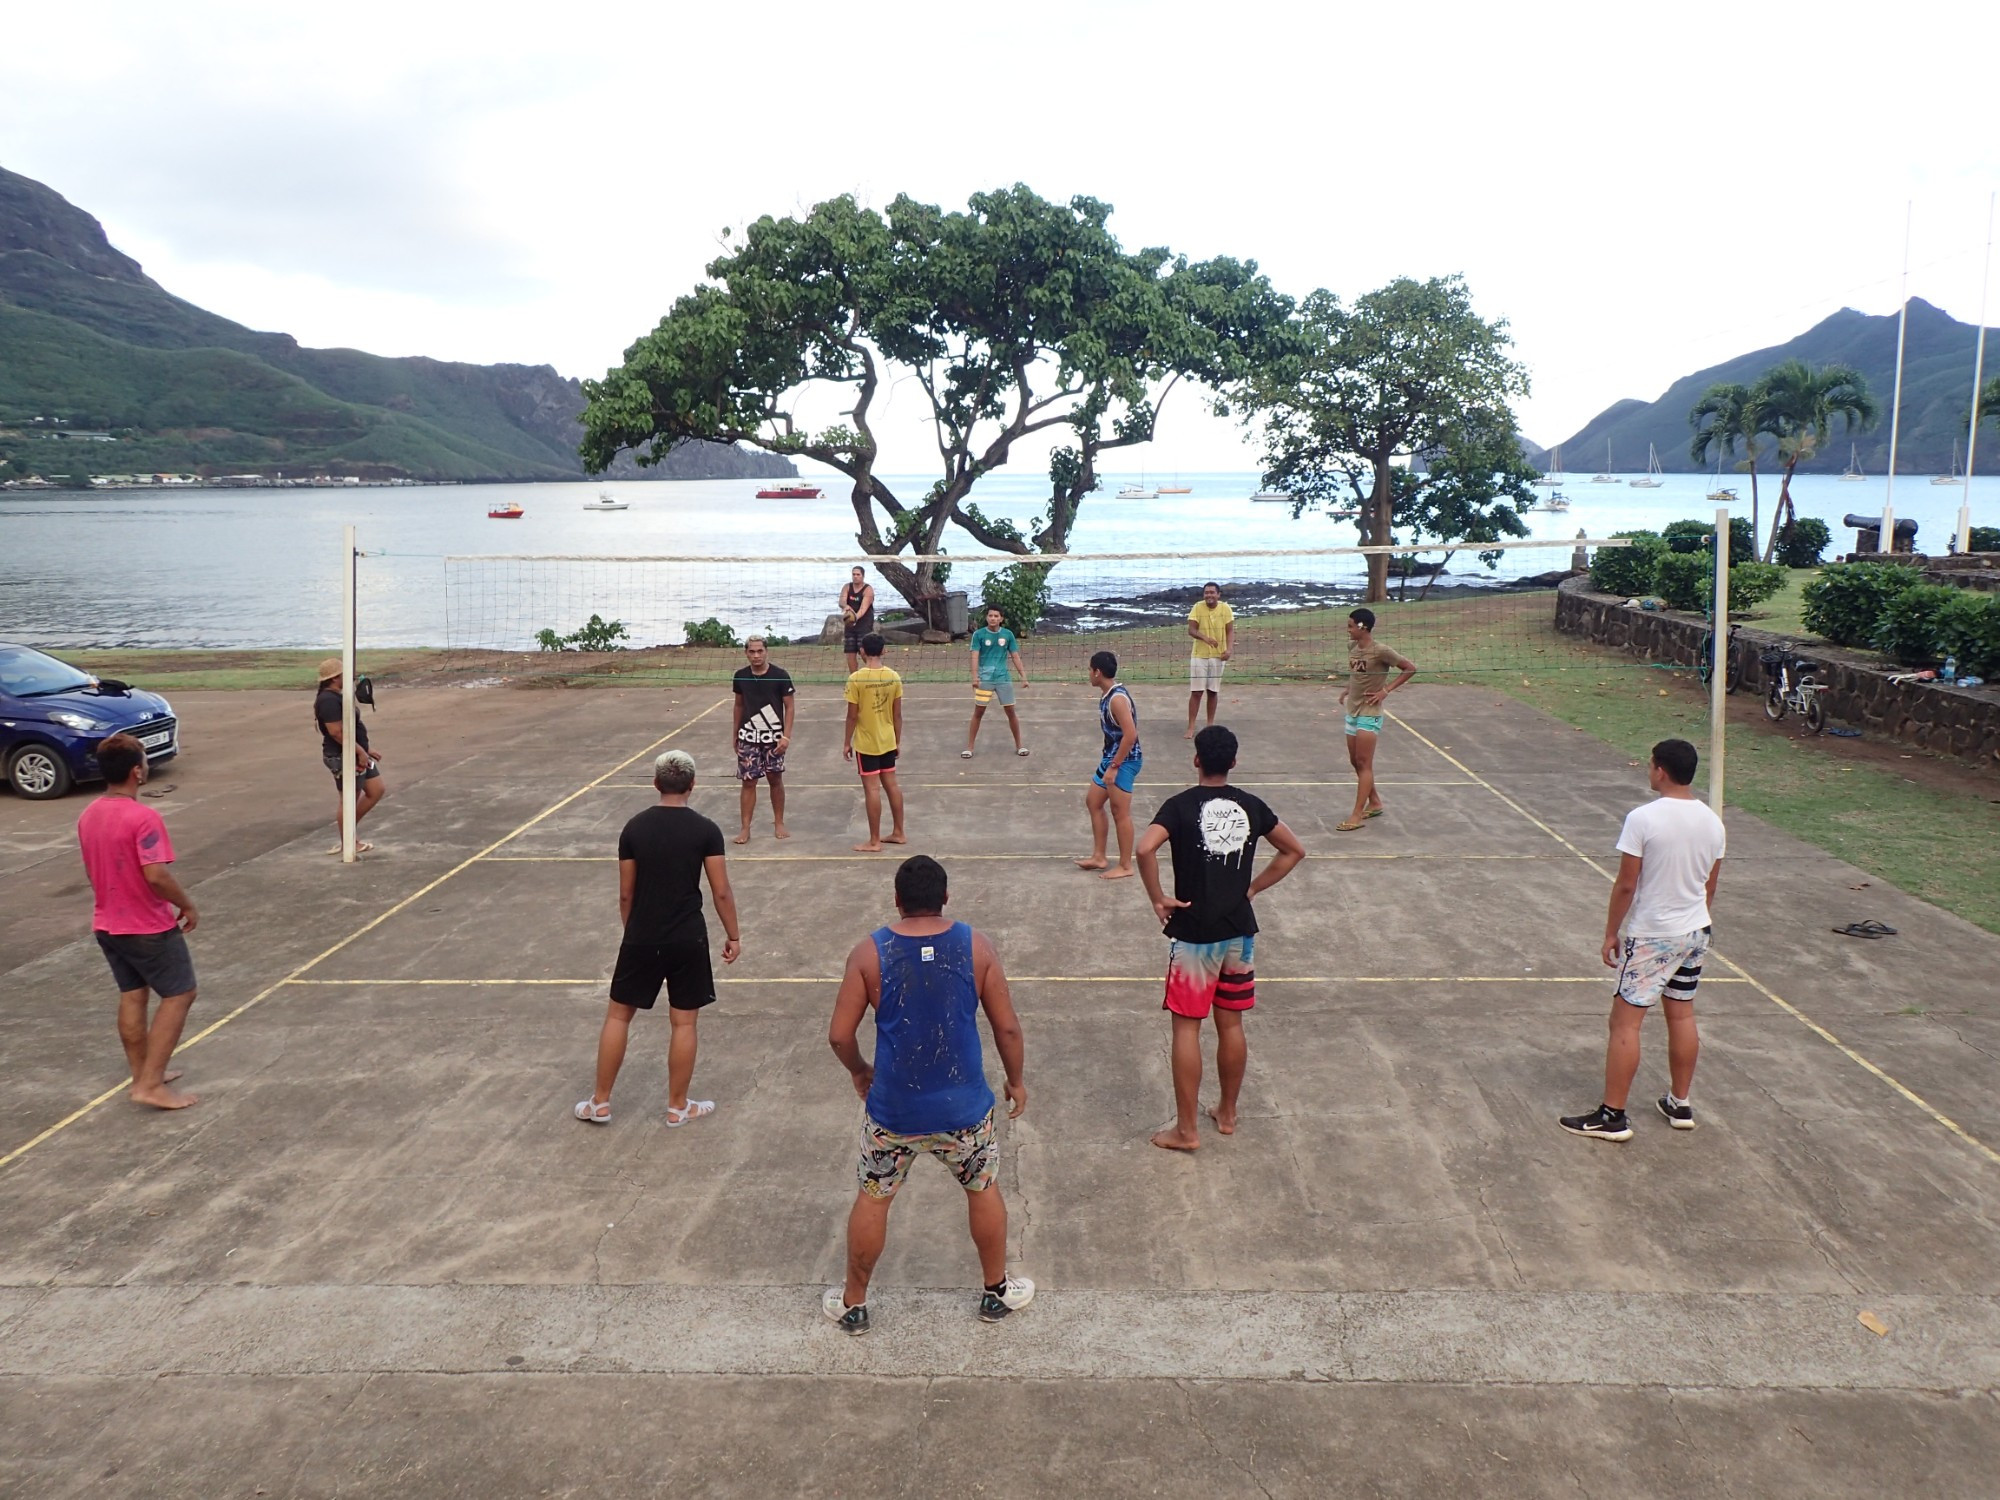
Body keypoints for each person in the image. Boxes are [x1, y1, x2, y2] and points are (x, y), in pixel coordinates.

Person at [824, 855, 1032, 1334]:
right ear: (945, 898)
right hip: (964, 1112)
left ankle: (854, 1305)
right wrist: (1015, 1081)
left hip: (893, 1112)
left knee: (873, 1199)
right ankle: (995, 1292)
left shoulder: (868, 953)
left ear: (897, 901)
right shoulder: (975, 947)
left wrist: (859, 1071)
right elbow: (1007, 1028)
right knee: (982, 1189)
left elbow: (839, 1034)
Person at [1136, 726, 1305, 1151]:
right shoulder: (1250, 805)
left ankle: (1187, 1130)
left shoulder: (1179, 807)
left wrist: (1159, 899)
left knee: (1186, 1028)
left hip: (1193, 933)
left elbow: (1144, 849)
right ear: (1233, 762)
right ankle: (1227, 1113)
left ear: (1196, 760)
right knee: (1230, 1023)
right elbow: (1293, 850)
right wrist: (1251, 889)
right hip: (1238, 931)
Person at [1560, 739, 1725, 1143]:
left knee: (1624, 1022)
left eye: (1650, 765)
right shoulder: (1712, 821)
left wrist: (1611, 932)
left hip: (1654, 934)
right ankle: (1679, 1102)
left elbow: (1626, 884)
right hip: (1695, 930)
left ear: (1661, 771)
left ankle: (1612, 1115)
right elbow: (1710, 886)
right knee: (1682, 1013)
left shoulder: (1643, 819)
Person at [574, 749, 741, 1128]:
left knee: (619, 1015)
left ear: (656, 784)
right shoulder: (705, 830)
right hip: (688, 937)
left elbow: (626, 893)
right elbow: (721, 891)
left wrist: (632, 929)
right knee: (684, 1023)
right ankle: (677, 1106)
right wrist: (734, 934)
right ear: (692, 786)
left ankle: (600, 1102)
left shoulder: (634, 828)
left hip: (642, 936)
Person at [75, 733, 202, 1110]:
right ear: (137, 772)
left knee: (133, 993)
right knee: (180, 994)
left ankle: (143, 1072)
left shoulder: (89, 814)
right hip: (146, 925)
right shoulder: (143, 817)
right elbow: (156, 875)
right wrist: (187, 905)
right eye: (144, 762)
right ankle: (149, 1084)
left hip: (107, 923)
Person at [1335, 609, 1416, 833]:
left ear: (1363, 627)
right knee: (1355, 761)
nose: (1348, 630)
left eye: (1351, 626)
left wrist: (1386, 691)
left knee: (1364, 762)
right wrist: (1348, 689)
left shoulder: (1381, 651)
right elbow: (1358, 675)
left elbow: (1410, 668)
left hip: (1370, 712)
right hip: (1353, 709)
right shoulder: (1352, 648)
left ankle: (1356, 815)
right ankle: (1376, 802)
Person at [1076, 650, 1141, 880]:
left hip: (1124, 760)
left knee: (1119, 812)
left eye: (1089, 670)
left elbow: (1130, 735)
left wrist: (1115, 766)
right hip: (1111, 757)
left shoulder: (1117, 700)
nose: (1088, 674)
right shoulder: (1108, 694)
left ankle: (1125, 865)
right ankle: (1099, 856)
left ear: (1098, 672)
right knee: (1093, 801)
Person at [315, 657, 385, 855]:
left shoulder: (337, 696)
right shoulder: (327, 700)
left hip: (356, 752)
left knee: (376, 789)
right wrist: (360, 752)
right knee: (348, 799)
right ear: (336, 678)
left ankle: (348, 832)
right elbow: (336, 732)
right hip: (342, 755)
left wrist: (365, 748)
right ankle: (349, 842)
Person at [843, 632, 906, 853]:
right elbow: (897, 715)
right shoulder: (893, 676)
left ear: (862, 652)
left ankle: (874, 841)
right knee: (892, 785)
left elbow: (852, 715)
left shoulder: (856, 679)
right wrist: (897, 740)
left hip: (867, 742)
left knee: (872, 789)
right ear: (884, 651)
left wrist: (846, 742)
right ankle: (899, 832)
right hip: (888, 739)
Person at [731, 635, 794, 843]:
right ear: (746, 653)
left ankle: (779, 822)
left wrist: (786, 736)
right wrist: (735, 734)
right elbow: (739, 705)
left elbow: (790, 707)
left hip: (773, 738)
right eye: (752, 651)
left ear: (766, 651)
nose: (756, 655)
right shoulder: (740, 676)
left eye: (760, 651)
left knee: (775, 779)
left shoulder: (780, 676)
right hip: (748, 737)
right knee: (749, 782)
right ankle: (745, 828)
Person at [963, 605, 1030, 759]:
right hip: (985, 679)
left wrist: (1023, 676)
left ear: (1001, 618)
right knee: (978, 712)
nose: (993, 618)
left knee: (1011, 711)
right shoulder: (979, 635)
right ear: (987, 617)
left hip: (1003, 679)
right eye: (990, 615)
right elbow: (974, 656)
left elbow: (1015, 656)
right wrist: (975, 677)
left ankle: (1019, 745)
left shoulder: (1008, 635)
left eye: (996, 616)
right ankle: (969, 748)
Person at [1184, 582, 1235, 739]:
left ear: (1218, 594)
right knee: (1197, 692)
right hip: (1199, 655)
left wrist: (1229, 649)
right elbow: (1191, 630)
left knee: (1213, 691)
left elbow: (1230, 630)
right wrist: (1205, 638)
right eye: (1206, 593)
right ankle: (1191, 726)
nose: (1209, 595)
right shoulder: (1198, 607)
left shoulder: (1225, 609)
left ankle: (1209, 725)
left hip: (1218, 656)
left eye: (1212, 592)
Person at [840, 566, 876, 674]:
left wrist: (854, 617)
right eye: (853, 574)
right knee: (850, 653)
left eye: (858, 574)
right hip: (850, 625)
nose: (855, 577)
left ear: (863, 576)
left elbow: (863, 609)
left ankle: (873, 673)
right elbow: (841, 601)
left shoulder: (868, 589)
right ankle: (854, 678)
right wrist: (845, 606)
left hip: (864, 624)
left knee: (864, 652)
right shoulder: (847, 587)